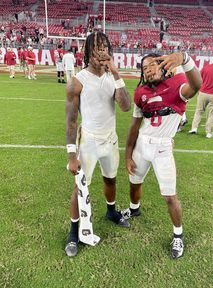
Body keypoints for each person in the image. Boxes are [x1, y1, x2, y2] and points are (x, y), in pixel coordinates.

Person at [121, 52, 202, 259]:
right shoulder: (141, 92)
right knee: (134, 182)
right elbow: (134, 126)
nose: (148, 69)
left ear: (163, 65)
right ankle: (134, 208)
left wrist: (185, 59)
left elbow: (196, 85)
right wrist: (127, 155)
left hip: (163, 148)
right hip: (142, 145)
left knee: (169, 196)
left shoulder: (177, 84)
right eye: (144, 67)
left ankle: (178, 234)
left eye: (152, 65)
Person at [65, 31, 131, 257]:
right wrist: (71, 154)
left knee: (111, 179)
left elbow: (125, 106)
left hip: (110, 139)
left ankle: (111, 212)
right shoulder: (78, 81)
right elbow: (71, 121)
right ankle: (73, 232)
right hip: (89, 142)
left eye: (105, 46)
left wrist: (115, 73)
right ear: (88, 51)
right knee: (80, 187)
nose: (102, 51)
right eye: (97, 47)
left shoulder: (112, 77)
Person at [189, 51, 213, 138]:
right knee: (211, 114)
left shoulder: (206, 67)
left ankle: (194, 128)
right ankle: (209, 133)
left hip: (203, 93)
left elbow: (199, 80)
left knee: (198, 111)